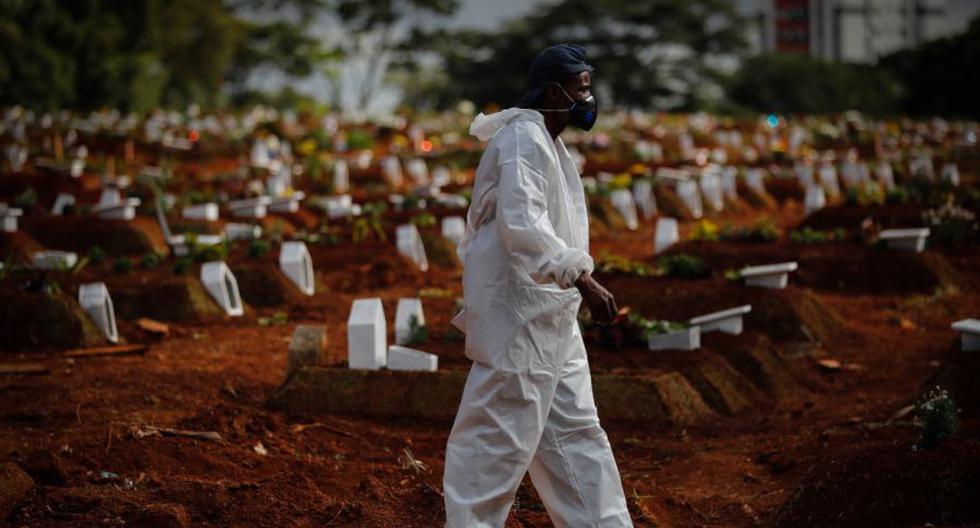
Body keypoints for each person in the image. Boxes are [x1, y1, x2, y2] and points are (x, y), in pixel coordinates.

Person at [443, 44, 633, 527]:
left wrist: (573, 285)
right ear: (555, 91)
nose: (588, 98)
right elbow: (522, 224)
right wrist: (581, 278)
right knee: (493, 448)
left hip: (552, 320)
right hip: (520, 322)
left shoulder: (548, 142)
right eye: (581, 88)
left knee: (577, 438)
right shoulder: (521, 142)